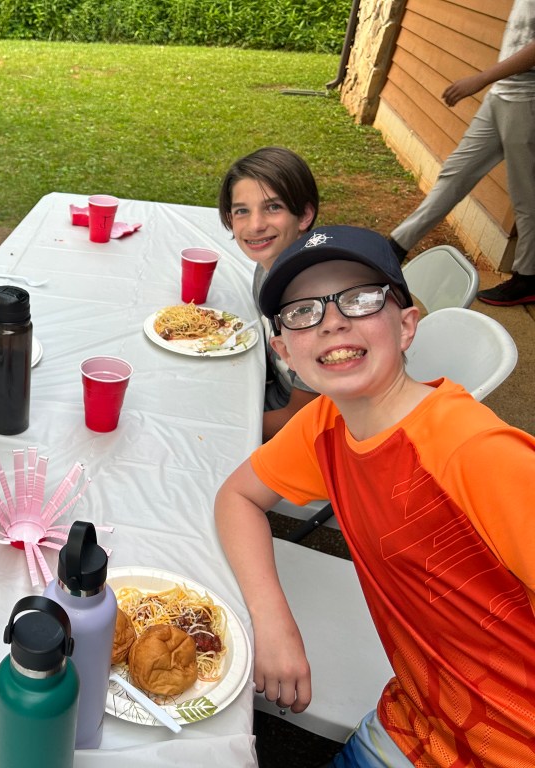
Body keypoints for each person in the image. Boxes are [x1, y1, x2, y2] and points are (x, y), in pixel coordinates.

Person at [215, 225, 535, 767]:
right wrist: (272, 620)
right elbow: (238, 497)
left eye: (360, 299)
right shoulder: (325, 425)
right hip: (411, 724)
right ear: (283, 350)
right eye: (303, 312)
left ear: (406, 325)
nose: (333, 321)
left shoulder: (475, 454)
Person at [388, 0, 535, 306]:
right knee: (456, 173)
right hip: (501, 96)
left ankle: (528, 278)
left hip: (528, 101)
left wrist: (481, 78)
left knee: (527, 196)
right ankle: (397, 245)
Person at [218, 146, 319, 440]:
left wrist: (217, 426)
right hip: (267, 394)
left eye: (273, 207)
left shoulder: (314, 310)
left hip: (304, 433)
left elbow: (300, 422)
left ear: (304, 215)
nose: (256, 225)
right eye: (242, 211)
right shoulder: (268, 268)